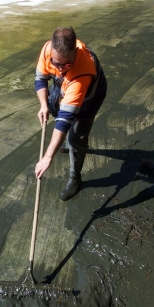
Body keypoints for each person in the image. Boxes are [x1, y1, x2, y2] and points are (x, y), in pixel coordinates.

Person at [33, 27, 107, 201]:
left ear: (74, 54)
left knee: (76, 138)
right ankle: (65, 143)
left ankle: (75, 178)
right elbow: (40, 79)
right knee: (53, 106)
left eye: (66, 65)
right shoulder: (47, 50)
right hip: (66, 86)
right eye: (56, 63)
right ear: (51, 49)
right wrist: (43, 105)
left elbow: (64, 121)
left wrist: (47, 157)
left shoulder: (82, 72)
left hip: (90, 96)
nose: (59, 69)